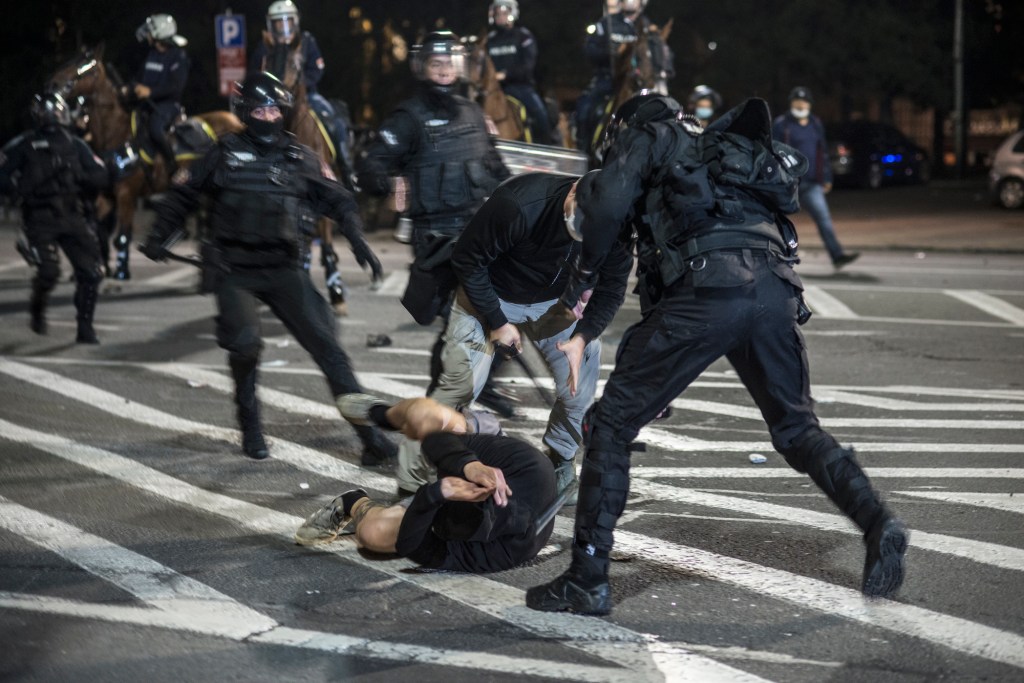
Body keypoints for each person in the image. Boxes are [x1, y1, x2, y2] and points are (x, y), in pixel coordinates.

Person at [525, 93, 909, 616]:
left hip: (710, 288)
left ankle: (587, 577)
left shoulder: (650, 136)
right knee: (797, 429)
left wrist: (583, 277)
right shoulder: (720, 154)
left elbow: (610, 204)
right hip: (775, 289)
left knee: (609, 426)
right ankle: (877, 521)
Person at [139, 72, 394, 465]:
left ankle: (370, 438)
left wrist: (358, 239)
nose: (268, 115)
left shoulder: (300, 156)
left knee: (330, 351)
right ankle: (250, 424)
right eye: (259, 108)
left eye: (274, 108)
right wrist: (160, 235)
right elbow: (182, 196)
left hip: (283, 269)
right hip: (234, 269)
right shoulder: (221, 153)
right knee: (244, 345)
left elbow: (340, 200)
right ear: (244, 112)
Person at [391, 171, 632, 500]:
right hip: (491, 293)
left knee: (580, 384)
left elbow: (613, 289)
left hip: (555, 301)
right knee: (459, 385)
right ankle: (411, 482)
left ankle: (560, 460)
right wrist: (498, 321)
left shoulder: (617, 227)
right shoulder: (519, 204)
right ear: (574, 192)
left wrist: (582, 337)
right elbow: (468, 259)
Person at [355, 29, 513, 415]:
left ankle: (477, 387)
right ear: (422, 68)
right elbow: (371, 165)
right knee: (463, 327)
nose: (444, 71)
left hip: (479, 235)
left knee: (509, 315)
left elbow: (497, 171)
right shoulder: (408, 118)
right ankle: (435, 412)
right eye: (436, 63)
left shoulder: (474, 114)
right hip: (436, 239)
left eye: (450, 63)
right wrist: (389, 180)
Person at [295, 394, 560, 574]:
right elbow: (436, 439)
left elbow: (414, 546)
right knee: (424, 414)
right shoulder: (530, 469)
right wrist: (470, 465)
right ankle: (380, 413)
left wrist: (434, 495)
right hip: (481, 454)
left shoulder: (493, 552)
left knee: (372, 534)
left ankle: (354, 503)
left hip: (432, 506)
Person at [0, 92, 109, 343]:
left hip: (72, 215)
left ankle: (85, 327)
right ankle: (37, 306)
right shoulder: (23, 144)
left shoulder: (75, 144)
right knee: (49, 271)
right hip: (40, 217)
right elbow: (2, 174)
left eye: (54, 110)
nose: (51, 115)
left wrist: (85, 178)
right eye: (45, 110)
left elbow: (100, 173)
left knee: (92, 272)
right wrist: (17, 189)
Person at [250, 0, 354, 178]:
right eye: (279, 22)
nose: (283, 27)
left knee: (334, 121)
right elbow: (255, 71)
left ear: (295, 21)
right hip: (274, 99)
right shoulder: (266, 45)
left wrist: (303, 83)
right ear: (271, 24)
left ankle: (347, 169)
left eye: (287, 21)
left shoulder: (306, 40)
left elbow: (317, 67)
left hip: (307, 94)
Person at [773, 86, 859, 269]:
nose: (800, 104)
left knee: (824, 219)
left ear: (809, 104)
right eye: (796, 101)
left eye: (803, 101)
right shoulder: (782, 124)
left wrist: (826, 177)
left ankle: (837, 255)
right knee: (775, 221)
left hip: (812, 183)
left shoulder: (815, 123)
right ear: (791, 103)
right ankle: (774, 256)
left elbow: (823, 151)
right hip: (789, 184)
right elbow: (773, 150)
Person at [575, 0, 674, 151]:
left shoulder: (648, 27)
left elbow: (663, 54)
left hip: (640, 83)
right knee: (585, 108)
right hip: (609, 79)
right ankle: (584, 149)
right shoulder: (606, 23)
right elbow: (590, 50)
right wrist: (612, 53)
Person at [485, 0, 556, 145]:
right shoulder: (489, 40)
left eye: (504, 13)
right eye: (498, 13)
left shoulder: (524, 36)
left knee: (541, 114)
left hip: (521, 86)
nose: (500, 16)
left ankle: (549, 144)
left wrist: (505, 75)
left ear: (512, 14)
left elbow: (528, 66)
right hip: (494, 90)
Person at [132, 13, 189, 178]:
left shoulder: (178, 56)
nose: (147, 34)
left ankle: (173, 167)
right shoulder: (152, 54)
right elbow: (139, 78)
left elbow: (176, 87)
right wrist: (130, 88)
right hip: (148, 103)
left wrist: (150, 92)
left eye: (150, 31)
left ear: (159, 34)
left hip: (169, 105)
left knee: (156, 128)